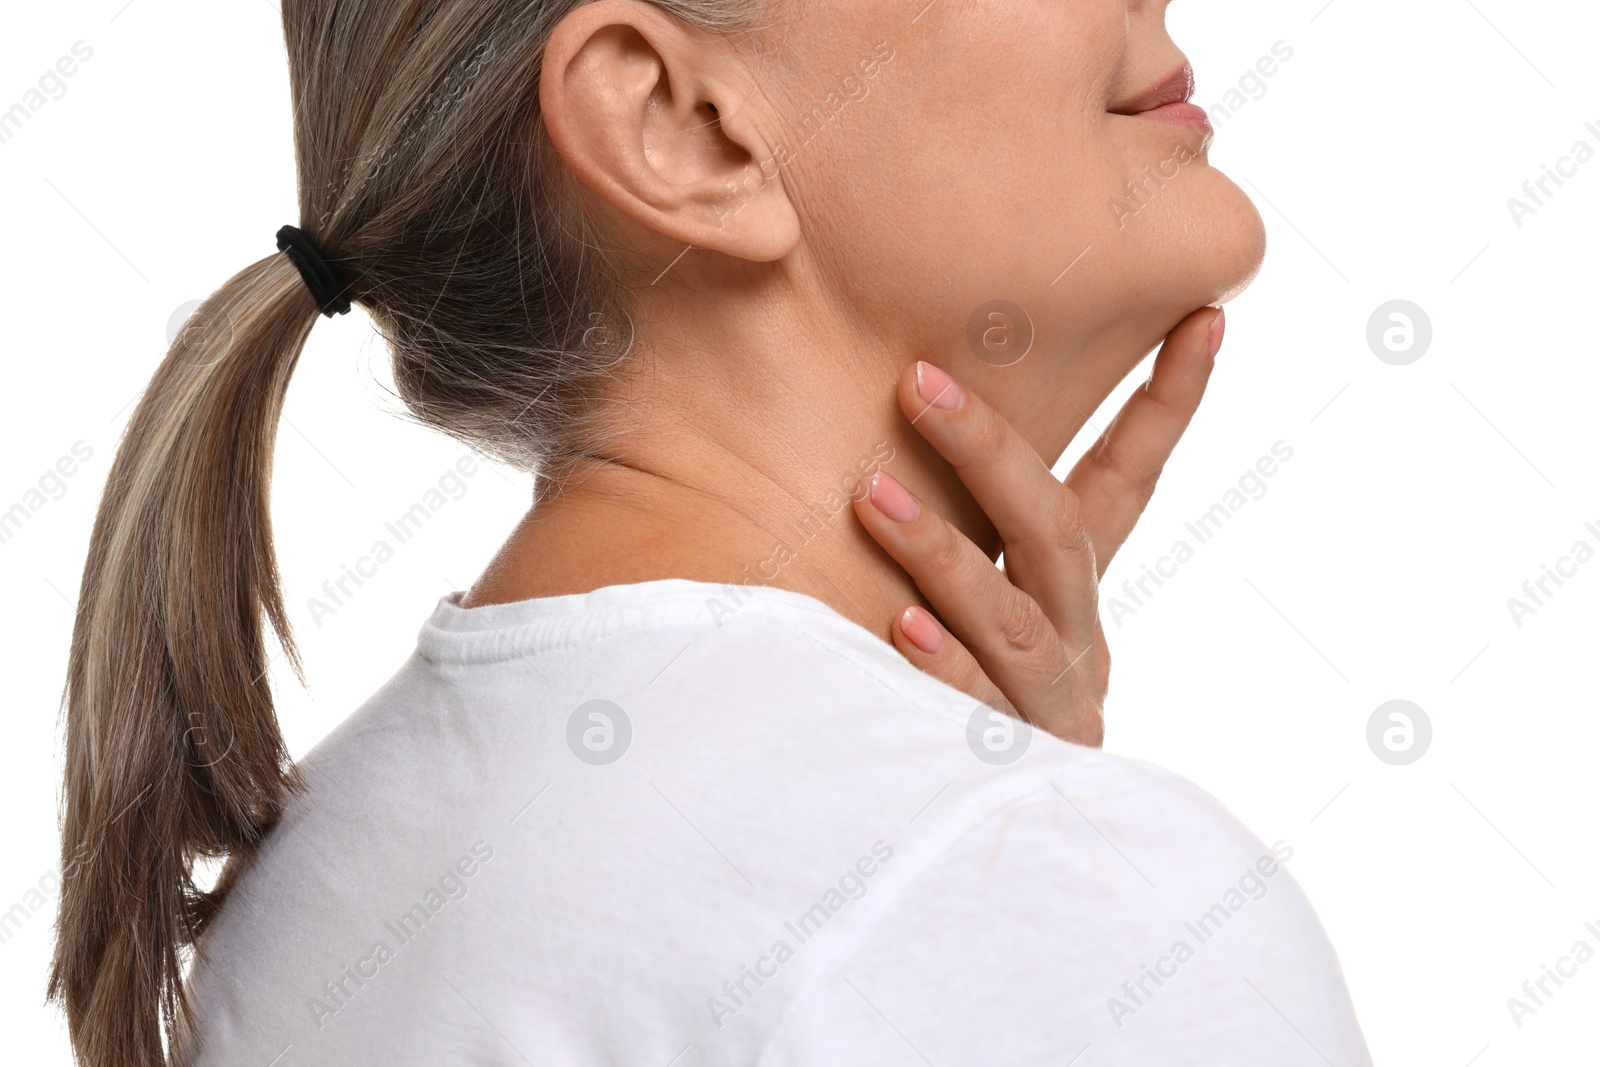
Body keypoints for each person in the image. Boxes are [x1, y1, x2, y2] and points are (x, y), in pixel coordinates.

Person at [49, 0, 1371, 1064]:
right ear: (683, 129)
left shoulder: (297, 910)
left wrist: (999, 810)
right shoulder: (1056, 903)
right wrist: (1029, 867)